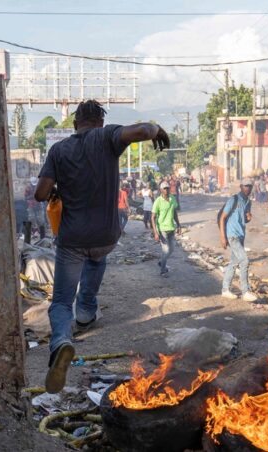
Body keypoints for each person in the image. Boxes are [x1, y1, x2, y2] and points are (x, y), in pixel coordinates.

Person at [34, 99, 170, 394]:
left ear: (75, 124)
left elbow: (40, 193)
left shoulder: (58, 150)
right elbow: (144, 129)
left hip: (72, 238)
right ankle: (85, 312)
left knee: (60, 301)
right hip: (106, 235)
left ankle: (61, 341)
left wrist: (57, 188)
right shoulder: (107, 136)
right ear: (99, 121)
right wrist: (156, 129)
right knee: (97, 260)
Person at [219, 179, 258, 302]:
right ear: (241, 187)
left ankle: (225, 290)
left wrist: (248, 218)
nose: (248, 189)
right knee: (245, 261)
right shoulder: (233, 199)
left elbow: (244, 219)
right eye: (246, 186)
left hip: (241, 236)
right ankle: (245, 291)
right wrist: (222, 237)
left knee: (233, 263)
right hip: (232, 236)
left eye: (250, 187)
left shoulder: (248, 202)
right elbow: (222, 217)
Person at [151, 181, 180, 277]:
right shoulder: (158, 201)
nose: (166, 190)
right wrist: (155, 232)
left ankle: (162, 262)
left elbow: (175, 212)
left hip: (171, 228)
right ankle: (163, 271)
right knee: (166, 250)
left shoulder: (172, 198)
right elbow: (153, 217)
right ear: (161, 190)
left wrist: (179, 225)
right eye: (164, 188)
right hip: (162, 229)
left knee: (171, 250)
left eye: (167, 188)